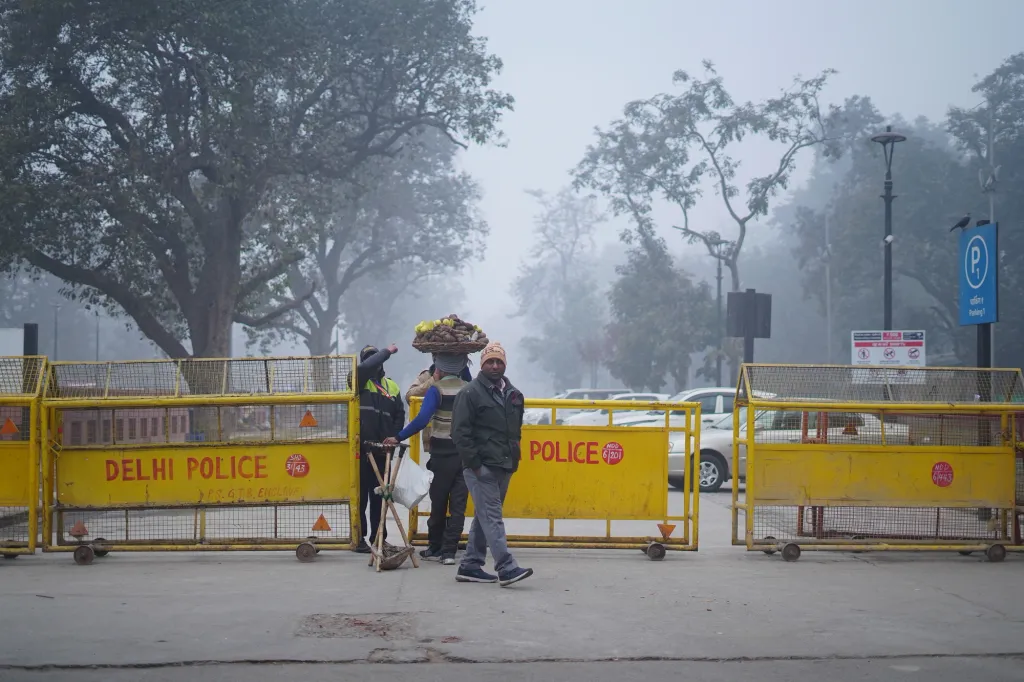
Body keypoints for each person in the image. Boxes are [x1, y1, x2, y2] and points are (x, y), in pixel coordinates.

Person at [450, 341, 533, 587]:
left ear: (504, 365)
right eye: (490, 362)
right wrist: (475, 465)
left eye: (499, 362)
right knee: (493, 516)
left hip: (504, 465)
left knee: (484, 516)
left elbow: (515, 431)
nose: (495, 366)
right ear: (482, 365)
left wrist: (514, 457)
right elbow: (460, 433)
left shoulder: (514, 394)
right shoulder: (470, 393)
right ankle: (506, 568)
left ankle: (470, 565)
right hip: (481, 468)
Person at [384, 353, 473, 565]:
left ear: (439, 369)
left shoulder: (437, 389)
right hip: (464, 455)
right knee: (459, 504)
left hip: (442, 455)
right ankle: (450, 552)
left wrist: (397, 437)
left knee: (439, 502)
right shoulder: (469, 388)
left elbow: (422, 419)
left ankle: (435, 547)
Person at [351, 343, 404, 554]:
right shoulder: (359, 381)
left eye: (375, 357)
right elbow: (364, 368)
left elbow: (400, 415)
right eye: (369, 358)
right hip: (361, 452)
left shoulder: (392, 387)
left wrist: (394, 437)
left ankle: (378, 538)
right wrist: (386, 352)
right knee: (361, 497)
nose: (373, 361)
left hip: (383, 453)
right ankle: (359, 539)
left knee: (380, 498)